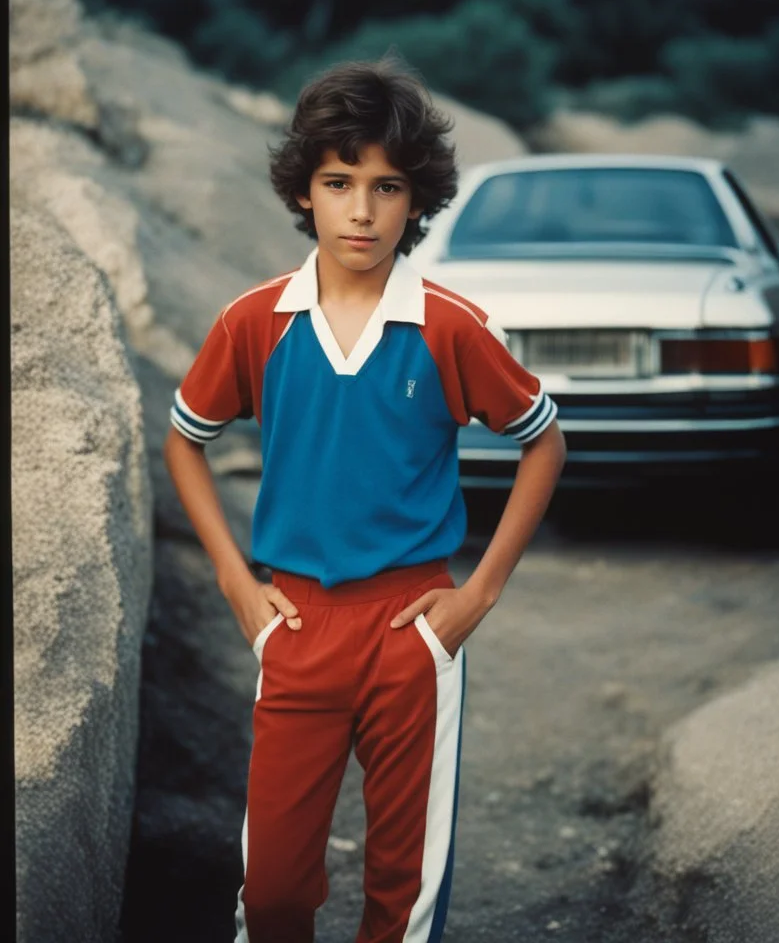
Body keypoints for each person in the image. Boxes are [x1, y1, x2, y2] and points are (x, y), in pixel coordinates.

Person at [163, 56, 567, 943]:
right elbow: (185, 442)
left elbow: (543, 439)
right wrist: (239, 586)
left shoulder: (451, 326)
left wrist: (476, 597)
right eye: (338, 181)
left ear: (416, 200)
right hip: (295, 627)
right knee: (270, 895)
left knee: (402, 902)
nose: (360, 208)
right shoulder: (254, 321)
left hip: (411, 630)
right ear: (304, 191)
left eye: (386, 187)